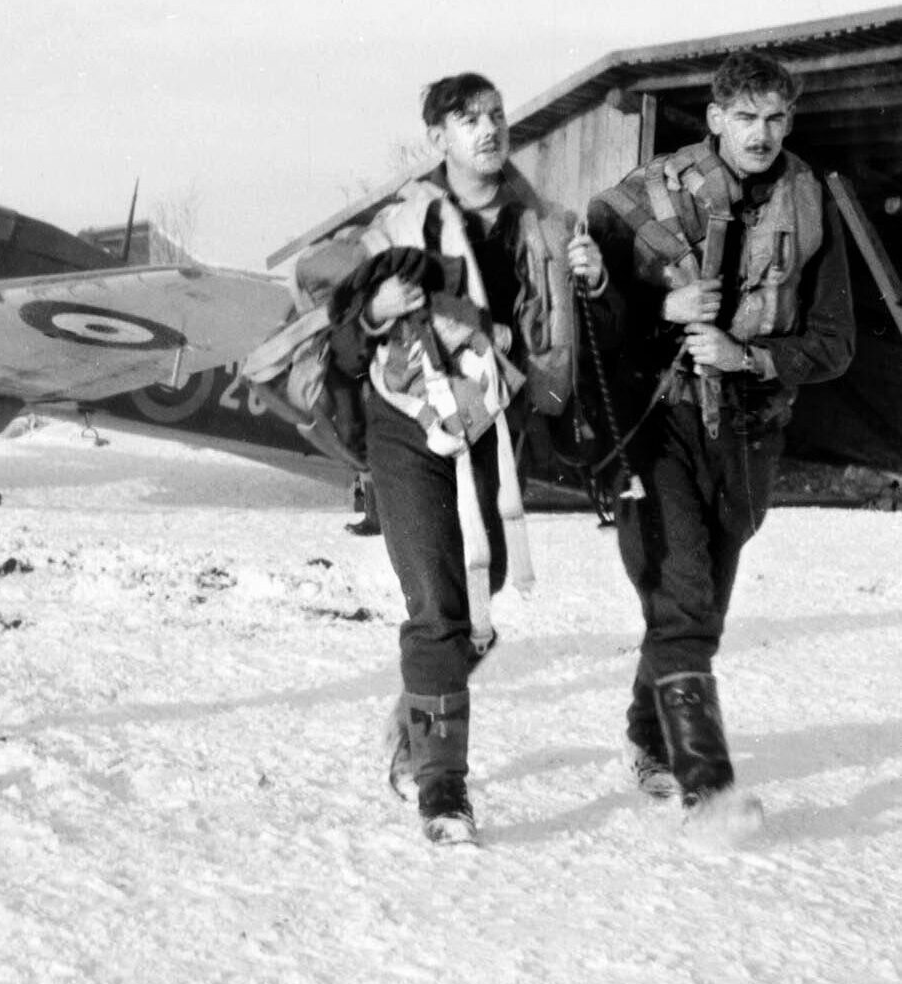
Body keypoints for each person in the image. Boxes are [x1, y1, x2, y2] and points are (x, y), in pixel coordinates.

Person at [323, 72, 601, 844]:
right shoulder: (399, 226)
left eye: (496, 115)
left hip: (491, 424)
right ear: (436, 139)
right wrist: (375, 312)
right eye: (467, 118)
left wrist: (595, 282)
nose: (488, 129)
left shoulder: (543, 225)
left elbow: (564, 334)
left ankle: (421, 702)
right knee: (441, 609)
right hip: (406, 425)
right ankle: (443, 790)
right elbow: (340, 345)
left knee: (489, 586)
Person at [584, 50, 852, 830]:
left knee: (698, 609)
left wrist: (753, 356)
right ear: (714, 119)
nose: (762, 134)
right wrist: (658, 312)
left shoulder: (814, 200)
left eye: (775, 118)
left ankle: (646, 738)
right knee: (686, 599)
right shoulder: (646, 198)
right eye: (745, 118)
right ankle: (704, 781)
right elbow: (585, 323)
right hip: (658, 420)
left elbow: (834, 342)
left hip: (749, 428)